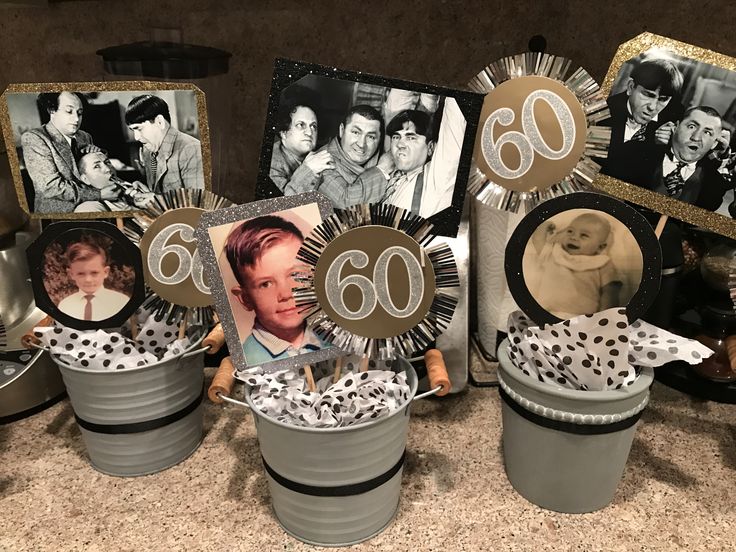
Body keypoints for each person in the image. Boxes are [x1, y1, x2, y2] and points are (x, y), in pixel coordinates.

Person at [225, 215, 330, 365]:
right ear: (245, 299)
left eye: (295, 275)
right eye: (266, 284)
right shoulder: (248, 361)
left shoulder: (336, 337)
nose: (286, 294)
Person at [21, 92, 118, 214]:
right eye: (69, 111)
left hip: (94, 204)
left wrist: (97, 153)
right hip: (59, 213)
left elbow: (94, 173)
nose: (76, 119)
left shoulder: (85, 136)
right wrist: (98, 194)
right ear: (52, 110)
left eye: (80, 113)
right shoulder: (35, 138)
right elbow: (50, 187)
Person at [627, 106, 730, 211]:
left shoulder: (715, 186)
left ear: (715, 143)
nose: (696, 137)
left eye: (707, 132)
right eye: (691, 126)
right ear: (675, 127)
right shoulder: (635, 155)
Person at [280, 105, 384, 207]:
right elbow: (348, 203)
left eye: (370, 137)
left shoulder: (382, 157)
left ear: (379, 140)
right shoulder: (323, 161)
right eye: (355, 132)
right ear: (342, 131)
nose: (361, 144)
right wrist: (383, 169)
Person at [524, 213, 623, 319]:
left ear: (600, 247)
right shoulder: (554, 253)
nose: (573, 237)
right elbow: (538, 240)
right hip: (545, 313)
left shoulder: (602, 263)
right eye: (570, 231)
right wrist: (546, 225)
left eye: (584, 235)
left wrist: (604, 318)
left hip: (581, 319)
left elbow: (610, 292)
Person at [602, 58, 684, 182]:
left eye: (663, 99)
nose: (652, 107)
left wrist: (671, 145)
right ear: (630, 87)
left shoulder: (673, 119)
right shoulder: (603, 112)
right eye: (648, 94)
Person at [124, 94, 204, 194]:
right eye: (133, 130)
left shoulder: (192, 149)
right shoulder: (148, 149)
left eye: (139, 128)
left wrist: (156, 201)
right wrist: (146, 192)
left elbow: (197, 203)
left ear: (160, 122)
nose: (136, 137)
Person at [270, 102, 334, 195]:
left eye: (313, 126)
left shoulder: (318, 156)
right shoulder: (271, 164)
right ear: (283, 132)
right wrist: (309, 170)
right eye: (300, 125)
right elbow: (283, 206)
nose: (309, 132)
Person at [56, 240, 130, 321]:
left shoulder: (121, 302)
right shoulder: (65, 306)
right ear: (71, 274)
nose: (88, 280)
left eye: (94, 273)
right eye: (81, 274)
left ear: (105, 272)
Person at [74, 151, 153, 213]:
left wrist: (150, 204)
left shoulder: (127, 198)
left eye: (107, 163)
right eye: (96, 166)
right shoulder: (89, 208)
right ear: (85, 179)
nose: (108, 169)